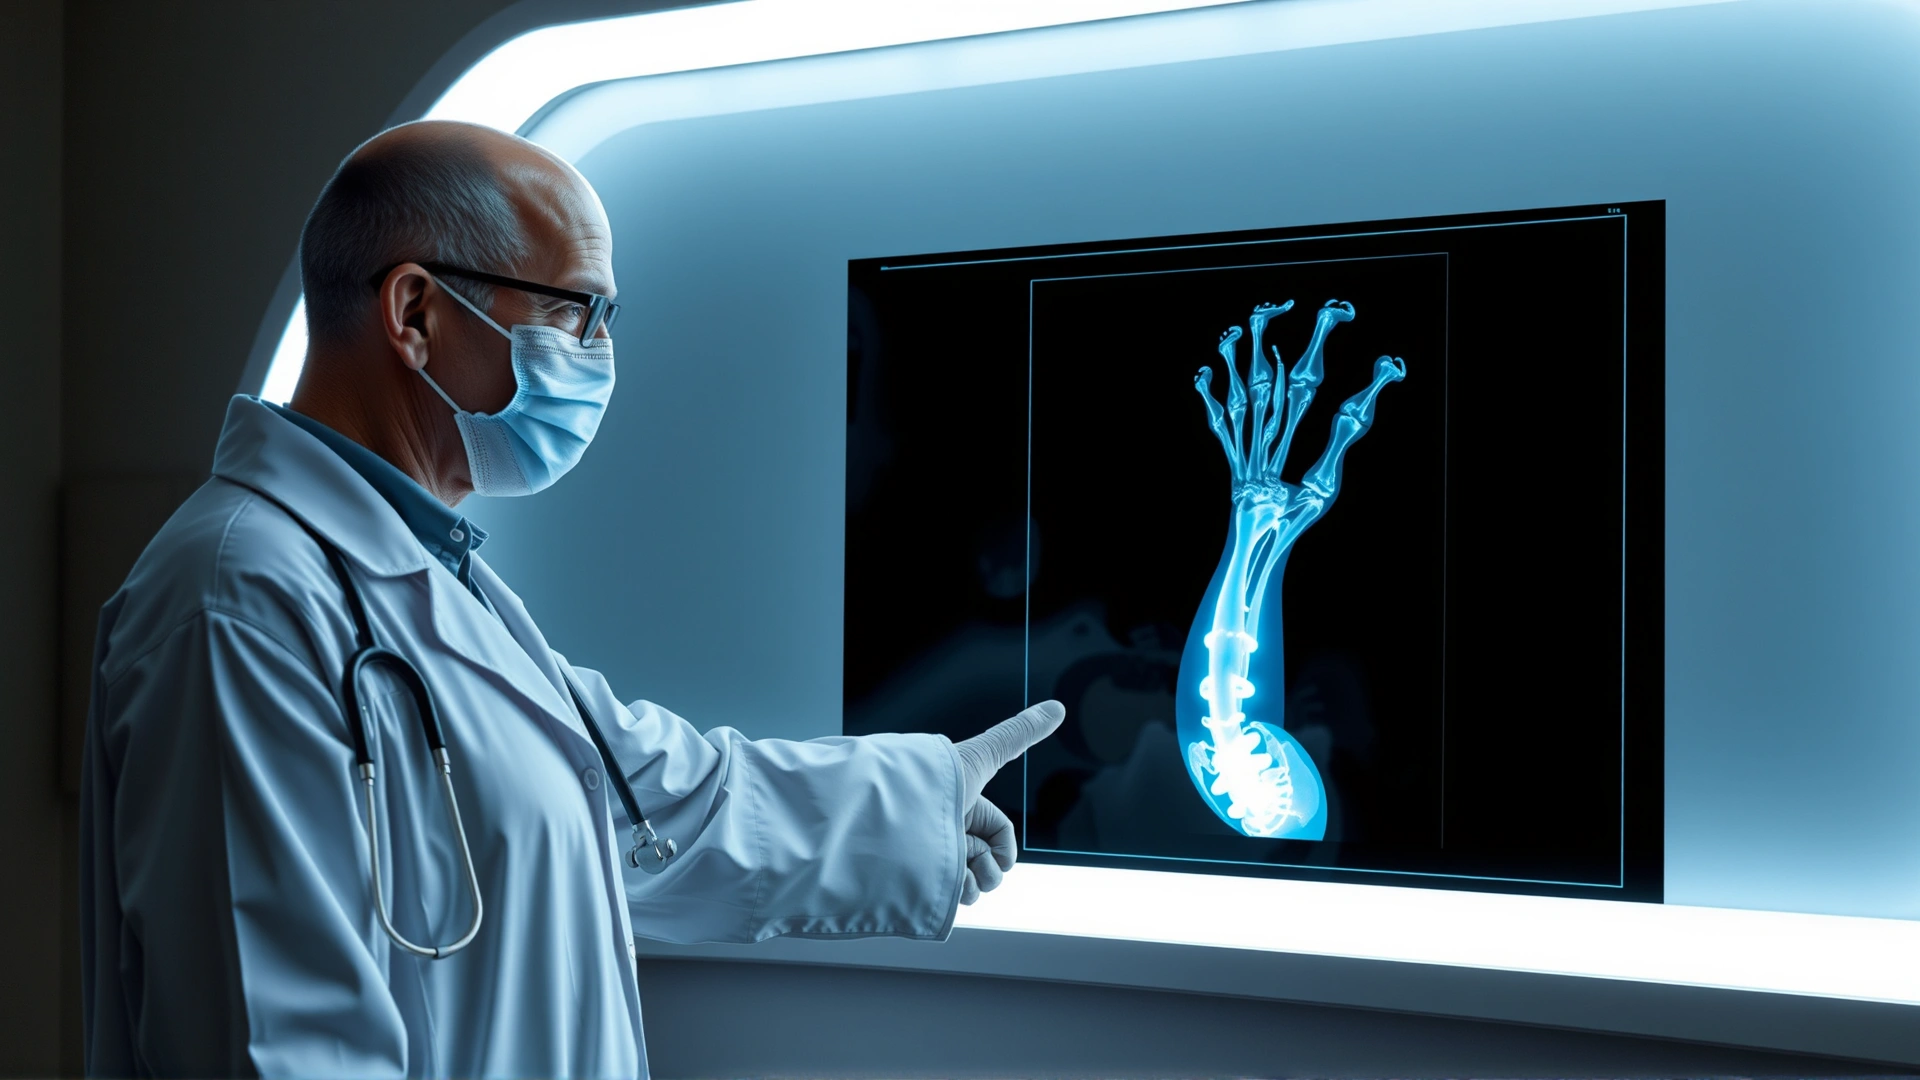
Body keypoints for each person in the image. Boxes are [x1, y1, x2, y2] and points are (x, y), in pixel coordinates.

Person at [78, 120, 1063, 1078]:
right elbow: (275, 1042)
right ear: (415, 313)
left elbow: (641, 805)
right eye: (573, 314)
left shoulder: (440, 580)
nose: (598, 358)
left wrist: (912, 809)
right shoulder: (239, 601)